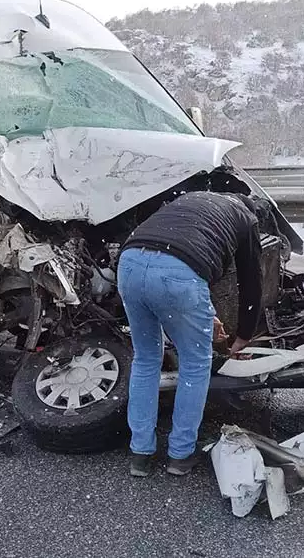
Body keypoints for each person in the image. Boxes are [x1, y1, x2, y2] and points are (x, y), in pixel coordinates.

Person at [116, 190, 263, 477]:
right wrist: (245, 334)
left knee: (146, 360)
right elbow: (251, 283)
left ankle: (140, 453)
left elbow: (179, 247)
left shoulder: (196, 199)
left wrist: (207, 313)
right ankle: (180, 455)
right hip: (179, 273)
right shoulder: (246, 218)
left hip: (130, 263)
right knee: (195, 364)